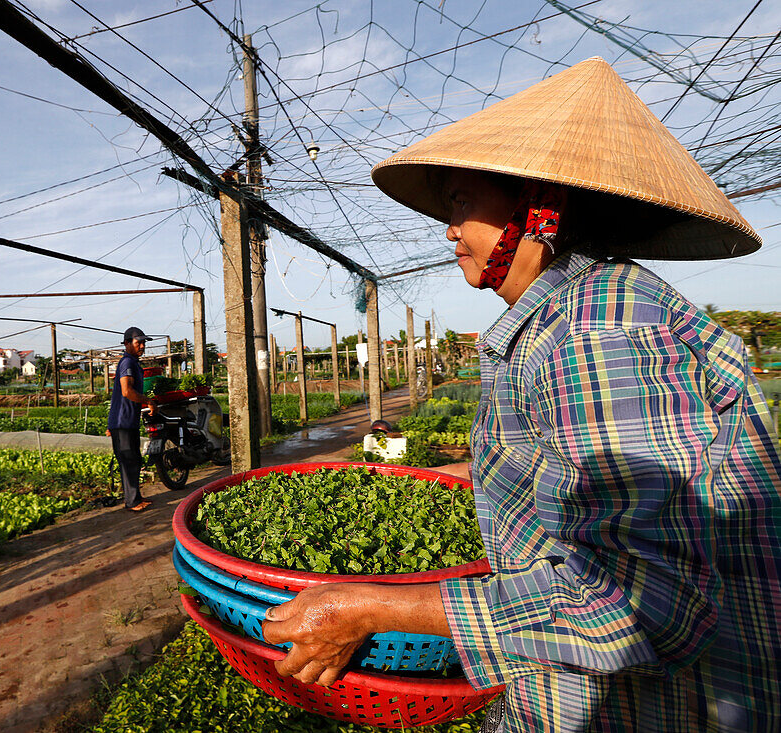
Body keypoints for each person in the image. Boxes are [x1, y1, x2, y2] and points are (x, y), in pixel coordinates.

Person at [261, 57, 781, 732]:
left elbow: (648, 602)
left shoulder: (594, 331)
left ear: (539, 208)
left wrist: (376, 606)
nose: (449, 230)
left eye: (458, 203)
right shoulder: (576, 315)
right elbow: (570, 468)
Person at [108, 326, 159, 512]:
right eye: (139, 343)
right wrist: (148, 401)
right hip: (122, 422)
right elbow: (126, 391)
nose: (143, 346)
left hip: (126, 421)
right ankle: (132, 502)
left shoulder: (133, 363)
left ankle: (136, 497)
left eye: (144, 343)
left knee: (134, 460)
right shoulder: (127, 363)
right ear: (127, 343)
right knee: (129, 460)